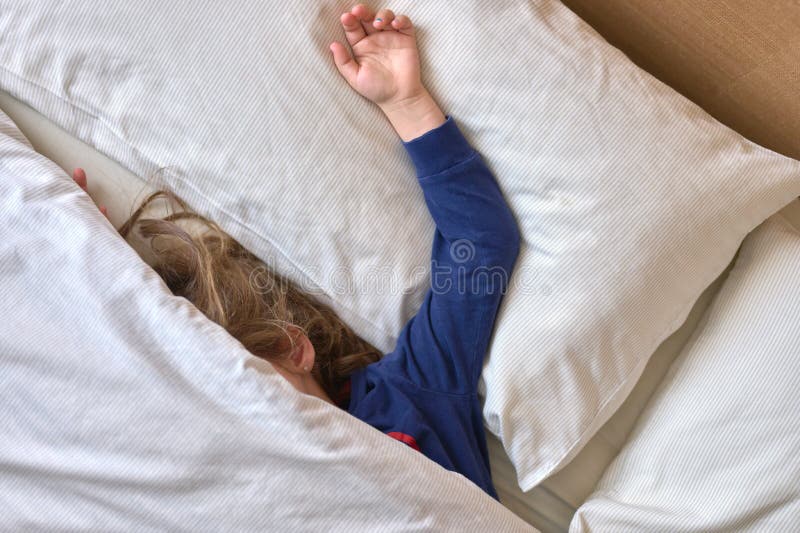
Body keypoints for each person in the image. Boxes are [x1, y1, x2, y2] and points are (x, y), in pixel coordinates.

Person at [72, 4, 519, 500]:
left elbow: (478, 244)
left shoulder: (407, 399)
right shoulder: (223, 485)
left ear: (292, 349)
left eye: (245, 383)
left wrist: (407, 102)